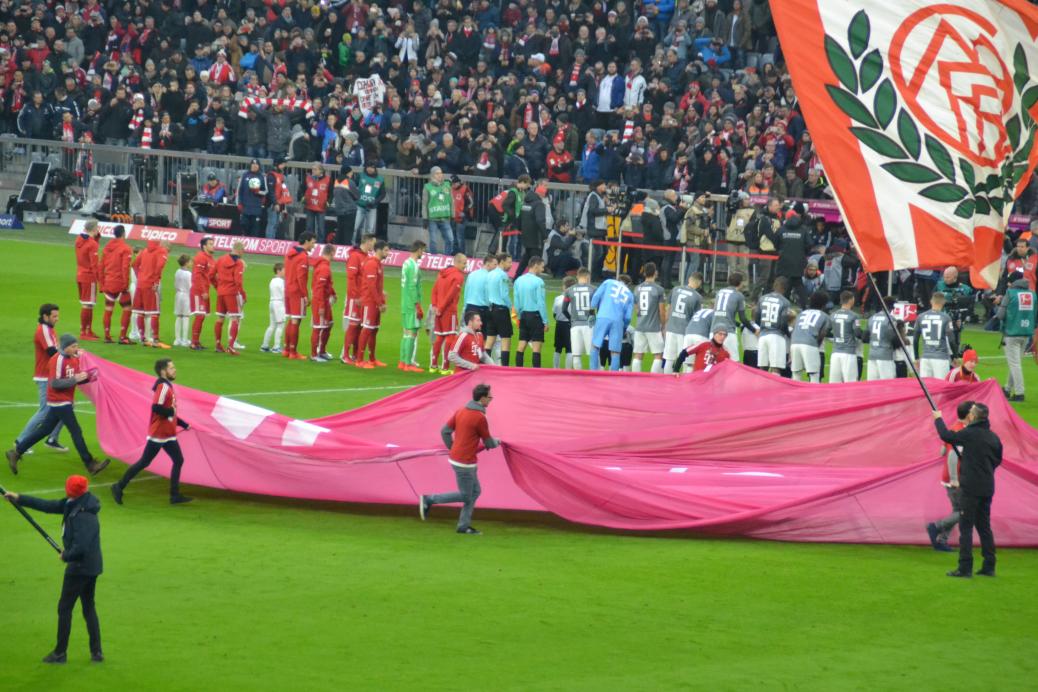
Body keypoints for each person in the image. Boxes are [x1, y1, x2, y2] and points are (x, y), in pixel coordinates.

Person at [3, 476, 104, 663]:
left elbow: (81, 546)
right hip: (91, 566)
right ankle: (96, 652)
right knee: (88, 606)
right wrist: (19, 498)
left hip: (80, 568)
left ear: (70, 490)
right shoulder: (77, 502)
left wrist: (66, 555)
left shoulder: (83, 515)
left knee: (65, 608)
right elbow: (48, 506)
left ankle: (60, 652)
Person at [7, 334, 110, 476]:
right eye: (73, 346)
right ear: (65, 347)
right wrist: (75, 378)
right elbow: (55, 383)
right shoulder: (57, 360)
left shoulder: (73, 359)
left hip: (63, 400)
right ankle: (90, 463)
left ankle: (16, 452)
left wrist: (90, 377)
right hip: (59, 401)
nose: (76, 349)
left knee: (45, 430)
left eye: (76, 346)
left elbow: (74, 379)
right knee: (76, 432)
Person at [419, 383, 501, 535]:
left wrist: (453, 448)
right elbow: (489, 443)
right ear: (482, 398)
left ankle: (463, 526)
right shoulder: (480, 417)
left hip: (459, 458)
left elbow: (445, 431)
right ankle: (429, 500)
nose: (491, 400)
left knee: (475, 491)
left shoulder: (461, 411)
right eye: (490, 397)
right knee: (466, 495)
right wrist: (498, 441)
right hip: (465, 462)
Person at [933, 403, 1002, 577]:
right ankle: (989, 565)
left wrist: (938, 418)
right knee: (984, 527)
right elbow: (997, 460)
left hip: (971, 488)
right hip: (987, 487)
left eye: (970, 413)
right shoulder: (994, 437)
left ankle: (965, 568)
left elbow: (946, 435)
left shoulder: (970, 434)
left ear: (973, 417)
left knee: (966, 528)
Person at [112, 359, 192, 505]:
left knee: (178, 460)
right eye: (171, 368)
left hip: (168, 433)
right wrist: (172, 411)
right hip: (160, 434)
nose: (175, 370)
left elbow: (168, 410)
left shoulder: (167, 385)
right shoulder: (163, 387)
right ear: (163, 371)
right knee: (144, 462)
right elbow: (157, 408)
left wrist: (183, 424)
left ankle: (174, 496)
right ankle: (118, 486)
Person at [14, 304, 67, 454]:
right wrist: (69, 357)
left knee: (67, 406)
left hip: (51, 375)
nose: (57, 319)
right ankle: (21, 441)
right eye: (54, 316)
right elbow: (52, 352)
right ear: (45, 316)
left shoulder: (49, 329)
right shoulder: (43, 330)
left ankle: (52, 439)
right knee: (45, 411)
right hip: (45, 377)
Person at [926, 400, 973, 552]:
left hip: (950, 477)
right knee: (963, 511)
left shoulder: (954, 428)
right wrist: (954, 479)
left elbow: (942, 451)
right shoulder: (961, 432)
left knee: (957, 511)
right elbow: (952, 454)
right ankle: (935, 527)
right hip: (956, 479)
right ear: (968, 416)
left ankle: (942, 541)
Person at [998, 271, 1036, 402]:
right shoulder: (1033, 294)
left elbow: (1000, 314)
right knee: (1015, 363)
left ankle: (1019, 393)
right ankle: (1007, 388)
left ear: (1012, 282)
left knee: (1014, 364)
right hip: (1026, 333)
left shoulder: (1010, 293)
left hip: (1012, 332)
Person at [429, 253, 466, 374]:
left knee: (440, 337)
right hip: (449, 311)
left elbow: (434, 291)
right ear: (457, 262)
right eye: (464, 263)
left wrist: (435, 306)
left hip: (438, 310)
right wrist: (441, 307)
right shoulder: (458, 276)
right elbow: (451, 295)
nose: (465, 266)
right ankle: (445, 367)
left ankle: (433, 365)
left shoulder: (442, 273)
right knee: (450, 337)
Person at [356, 240, 391, 369]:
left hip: (375, 301)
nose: (388, 253)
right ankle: (359, 360)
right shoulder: (371, 264)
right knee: (366, 329)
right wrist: (379, 303)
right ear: (379, 250)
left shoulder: (378, 264)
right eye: (386, 250)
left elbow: (376, 286)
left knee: (374, 330)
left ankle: (372, 359)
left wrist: (382, 297)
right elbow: (371, 286)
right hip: (369, 302)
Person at [590, 274, 634, 371]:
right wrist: (624, 328)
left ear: (618, 279)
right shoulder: (630, 294)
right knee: (615, 351)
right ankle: (613, 375)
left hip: (603, 316)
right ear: (628, 284)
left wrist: (591, 314)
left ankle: (593, 371)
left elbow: (596, 296)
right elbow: (628, 317)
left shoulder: (608, 282)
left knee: (595, 345)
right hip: (618, 321)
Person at [342, 234, 376, 364]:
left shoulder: (367, 257)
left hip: (363, 297)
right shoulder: (355, 256)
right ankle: (345, 355)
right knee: (353, 325)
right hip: (354, 298)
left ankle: (355, 354)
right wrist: (355, 296)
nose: (373, 246)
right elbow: (351, 278)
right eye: (373, 243)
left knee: (359, 326)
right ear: (367, 242)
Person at [283, 232, 317, 361]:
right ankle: (293, 351)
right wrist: (306, 295)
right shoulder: (302, 257)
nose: (314, 245)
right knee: (296, 320)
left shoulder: (290, 252)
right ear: (307, 241)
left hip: (288, 290)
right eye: (313, 242)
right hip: (297, 292)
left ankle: (286, 349)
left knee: (292, 319)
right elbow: (301, 278)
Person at [132, 240, 171, 349]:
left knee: (140, 312)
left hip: (140, 285)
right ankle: (155, 340)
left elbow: (134, 264)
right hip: (150, 285)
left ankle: (143, 338)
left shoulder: (144, 251)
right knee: (154, 312)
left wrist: (140, 277)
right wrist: (155, 282)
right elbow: (159, 266)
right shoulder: (161, 251)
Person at [662, 273, 703, 374]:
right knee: (686, 360)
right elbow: (697, 317)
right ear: (699, 283)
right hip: (685, 331)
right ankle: (684, 385)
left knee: (669, 358)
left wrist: (664, 325)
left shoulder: (675, 289)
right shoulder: (697, 297)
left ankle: (667, 383)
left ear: (689, 279)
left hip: (671, 328)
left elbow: (669, 308)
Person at [711, 272, 759, 359]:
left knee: (714, 362)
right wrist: (754, 330)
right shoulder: (739, 295)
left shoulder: (719, 292)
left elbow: (723, 313)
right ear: (740, 283)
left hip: (714, 331)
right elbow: (743, 318)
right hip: (728, 332)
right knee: (733, 362)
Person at [99, 225, 133, 344]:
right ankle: (123, 337)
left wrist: (102, 284)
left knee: (108, 309)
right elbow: (125, 267)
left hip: (108, 283)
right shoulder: (126, 248)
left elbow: (101, 266)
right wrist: (125, 284)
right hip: (119, 284)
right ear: (123, 233)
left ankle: (107, 336)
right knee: (127, 308)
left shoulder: (107, 247)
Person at [632, 263, 668, 373]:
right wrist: (663, 325)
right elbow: (662, 311)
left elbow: (636, 308)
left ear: (644, 273)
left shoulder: (637, 289)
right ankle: (653, 380)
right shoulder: (659, 289)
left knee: (638, 354)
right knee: (658, 355)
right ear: (655, 273)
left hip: (640, 326)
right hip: (653, 327)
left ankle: (635, 379)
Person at [513, 256, 549, 367]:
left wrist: (519, 316)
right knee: (536, 347)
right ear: (536, 265)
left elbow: (516, 300)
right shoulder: (539, 282)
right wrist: (545, 321)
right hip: (535, 316)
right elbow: (541, 303)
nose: (543, 270)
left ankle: (519, 370)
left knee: (522, 344)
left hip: (523, 315)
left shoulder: (518, 280)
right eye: (542, 267)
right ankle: (536, 374)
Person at [213, 242, 246, 356]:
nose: (244, 253)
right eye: (243, 250)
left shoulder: (221, 259)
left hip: (221, 292)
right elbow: (238, 281)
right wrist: (243, 294)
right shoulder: (238, 263)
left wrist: (217, 287)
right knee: (235, 318)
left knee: (220, 318)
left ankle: (218, 344)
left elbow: (211, 275)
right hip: (232, 293)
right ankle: (231, 347)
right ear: (239, 250)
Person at [790, 291, 831, 382]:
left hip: (794, 343)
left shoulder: (802, 313)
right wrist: (816, 346)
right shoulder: (825, 316)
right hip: (810, 343)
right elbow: (822, 334)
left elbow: (795, 329)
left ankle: (795, 395)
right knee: (814, 374)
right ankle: (813, 396)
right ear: (823, 304)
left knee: (796, 374)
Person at [755, 277, 792, 375]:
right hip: (776, 336)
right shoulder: (785, 302)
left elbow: (757, 316)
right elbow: (784, 321)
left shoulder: (762, 298)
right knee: (776, 368)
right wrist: (788, 334)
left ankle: (760, 389)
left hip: (763, 335)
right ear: (786, 288)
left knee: (762, 368)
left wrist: (762, 327)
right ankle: (775, 390)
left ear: (774, 285)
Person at [399, 241, 426, 372]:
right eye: (423, 251)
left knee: (405, 333)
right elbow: (412, 287)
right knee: (412, 333)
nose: (423, 254)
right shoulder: (414, 266)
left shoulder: (406, 263)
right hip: (411, 304)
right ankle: (408, 364)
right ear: (419, 250)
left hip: (404, 302)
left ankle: (402, 361)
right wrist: (417, 305)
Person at [915, 292, 954, 379]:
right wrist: (954, 356)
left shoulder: (921, 316)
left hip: (925, 357)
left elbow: (915, 339)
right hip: (941, 357)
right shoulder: (946, 317)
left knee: (926, 388)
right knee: (941, 387)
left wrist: (916, 357)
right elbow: (951, 339)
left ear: (931, 301)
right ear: (943, 302)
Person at [484, 253, 514, 366]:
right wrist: (511, 306)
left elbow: (486, 292)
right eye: (509, 262)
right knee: (506, 339)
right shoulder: (503, 275)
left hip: (490, 309)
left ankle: (484, 365)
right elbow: (504, 294)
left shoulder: (490, 274)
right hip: (501, 309)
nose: (511, 265)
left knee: (490, 339)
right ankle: (505, 367)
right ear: (502, 262)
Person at [563, 269, 596, 370]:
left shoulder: (569, 290)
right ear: (588, 276)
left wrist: (571, 319)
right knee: (593, 353)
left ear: (577, 276)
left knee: (576, 355)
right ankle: (595, 377)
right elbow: (599, 306)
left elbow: (564, 309)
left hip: (575, 325)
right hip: (589, 325)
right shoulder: (594, 289)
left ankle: (579, 379)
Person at [74, 220, 101, 341]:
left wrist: (96, 238)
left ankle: (88, 330)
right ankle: (84, 332)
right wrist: (100, 278)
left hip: (80, 274)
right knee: (87, 304)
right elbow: (94, 263)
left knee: (88, 304)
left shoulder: (79, 240)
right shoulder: (92, 244)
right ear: (94, 229)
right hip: (89, 276)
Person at [310, 244, 337, 362]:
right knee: (318, 327)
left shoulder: (323, 265)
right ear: (331, 252)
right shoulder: (324, 268)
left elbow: (327, 284)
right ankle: (314, 355)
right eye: (334, 253)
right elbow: (319, 288)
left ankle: (322, 351)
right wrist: (321, 305)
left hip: (325, 300)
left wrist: (333, 293)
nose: (335, 255)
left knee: (329, 324)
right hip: (320, 301)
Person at [829, 291, 863, 383]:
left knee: (834, 384)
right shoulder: (854, 316)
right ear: (851, 300)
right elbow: (858, 333)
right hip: (848, 353)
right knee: (850, 383)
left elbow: (827, 331)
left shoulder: (833, 315)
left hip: (835, 352)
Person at [189, 237, 217, 350]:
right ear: (204, 246)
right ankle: (193, 342)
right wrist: (203, 291)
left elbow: (211, 276)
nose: (213, 246)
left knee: (202, 317)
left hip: (205, 291)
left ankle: (196, 342)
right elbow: (197, 275)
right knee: (199, 316)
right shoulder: (200, 257)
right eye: (210, 244)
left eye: (213, 244)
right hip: (198, 291)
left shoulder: (211, 259)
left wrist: (218, 288)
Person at [515, 182, 548, 277]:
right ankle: (534, 278)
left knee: (526, 257)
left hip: (526, 235)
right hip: (536, 237)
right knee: (536, 260)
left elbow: (519, 218)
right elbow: (540, 220)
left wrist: (521, 230)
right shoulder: (539, 204)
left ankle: (516, 277)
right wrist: (545, 235)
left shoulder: (525, 203)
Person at [867, 299, 903, 381]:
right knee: (887, 385)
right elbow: (893, 338)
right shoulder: (891, 319)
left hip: (872, 355)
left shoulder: (871, 318)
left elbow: (865, 337)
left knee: (872, 385)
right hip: (885, 355)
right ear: (891, 307)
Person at [462, 254, 497, 338]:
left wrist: (465, 306)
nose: (496, 267)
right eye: (495, 264)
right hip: (482, 309)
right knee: (481, 336)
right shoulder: (490, 277)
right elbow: (489, 295)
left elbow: (466, 291)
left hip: (469, 307)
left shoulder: (472, 274)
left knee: (469, 335)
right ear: (488, 264)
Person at [423, 167, 454, 255]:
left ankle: (447, 257)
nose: (440, 175)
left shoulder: (447, 185)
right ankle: (433, 258)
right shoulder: (427, 187)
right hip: (432, 218)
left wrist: (453, 214)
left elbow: (451, 200)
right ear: (432, 175)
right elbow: (424, 204)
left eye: (441, 173)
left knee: (450, 239)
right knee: (433, 240)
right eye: (437, 173)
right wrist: (425, 218)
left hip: (445, 217)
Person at [354, 161, 386, 241]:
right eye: (368, 167)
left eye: (372, 167)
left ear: (375, 168)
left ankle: (368, 246)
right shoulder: (360, 176)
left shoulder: (380, 179)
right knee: (356, 227)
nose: (370, 169)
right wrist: (356, 198)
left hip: (372, 208)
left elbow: (383, 194)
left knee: (370, 229)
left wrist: (375, 202)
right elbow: (353, 188)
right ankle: (352, 243)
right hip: (360, 206)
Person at [236, 159, 269, 238]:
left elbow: (266, 191)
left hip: (256, 208)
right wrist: (239, 203)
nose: (254, 166)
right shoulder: (244, 175)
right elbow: (239, 190)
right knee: (244, 226)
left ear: (259, 166)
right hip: (245, 207)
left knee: (255, 229)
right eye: (253, 164)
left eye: (256, 164)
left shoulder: (262, 176)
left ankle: (253, 248)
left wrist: (258, 192)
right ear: (250, 165)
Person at [302, 163, 333, 241]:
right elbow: (302, 189)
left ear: (321, 170)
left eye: (315, 169)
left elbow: (331, 192)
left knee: (321, 228)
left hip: (321, 207)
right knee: (309, 227)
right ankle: (309, 244)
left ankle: (320, 245)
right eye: (312, 169)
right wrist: (302, 197)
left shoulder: (328, 179)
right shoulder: (308, 178)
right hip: (309, 206)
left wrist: (329, 201)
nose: (313, 171)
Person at [260, 264, 286, 355]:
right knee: (280, 325)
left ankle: (264, 345)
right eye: (284, 270)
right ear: (278, 271)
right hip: (279, 303)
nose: (285, 272)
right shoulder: (281, 282)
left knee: (272, 325)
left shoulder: (272, 280)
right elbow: (284, 294)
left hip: (272, 302)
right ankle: (276, 347)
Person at [553, 277, 576, 369]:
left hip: (559, 324)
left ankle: (555, 368)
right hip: (570, 325)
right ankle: (568, 369)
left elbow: (554, 313)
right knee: (569, 348)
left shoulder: (558, 298)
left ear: (564, 287)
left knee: (557, 348)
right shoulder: (574, 299)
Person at [172, 255, 192, 347]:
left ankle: (177, 339)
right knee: (186, 317)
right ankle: (184, 340)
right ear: (186, 263)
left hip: (178, 294)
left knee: (179, 316)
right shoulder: (189, 274)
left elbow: (175, 284)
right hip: (186, 295)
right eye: (190, 261)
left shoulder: (177, 271)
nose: (191, 263)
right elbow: (190, 286)